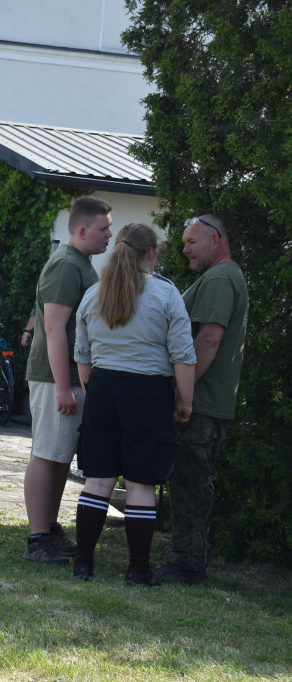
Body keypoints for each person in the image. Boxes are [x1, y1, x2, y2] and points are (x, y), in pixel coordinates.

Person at [70, 223, 196, 585]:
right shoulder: (166, 295)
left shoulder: (94, 295)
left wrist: (93, 390)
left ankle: (83, 563)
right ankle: (138, 568)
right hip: (148, 393)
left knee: (98, 481)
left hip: (103, 387)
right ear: (151, 254)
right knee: (141, 484)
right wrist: (184, 400)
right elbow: (183, 356)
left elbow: (83, 355)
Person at [158, 215, 248, 585]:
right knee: (190, 483)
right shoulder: (220, 278)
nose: (185, 248)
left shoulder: (220, 279)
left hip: (201, 407)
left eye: (192, 241)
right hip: (204, 405)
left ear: (215, 240)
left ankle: (188, 565)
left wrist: (183, 394)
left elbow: (208, 340)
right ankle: (189, 559)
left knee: (191, 487)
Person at [22, 196, 113, 565]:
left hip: (68, 377)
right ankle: (37, 538)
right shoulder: (64, 265)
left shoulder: (80, 262)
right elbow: (54, 327)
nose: (109, 235)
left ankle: (49, 530)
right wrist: (63, 386)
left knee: (59, 457)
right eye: (104, 228)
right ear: (82, 229)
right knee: (46, 456)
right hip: (53, 377)